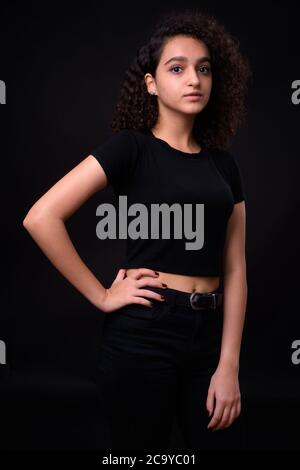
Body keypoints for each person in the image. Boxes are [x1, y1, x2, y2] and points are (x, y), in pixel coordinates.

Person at [23, 8, 251, 451]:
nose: (194, 79)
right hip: (145, 332)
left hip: (208, 337)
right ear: (151, 82)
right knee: (142, 458)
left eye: (204, 69)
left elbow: (237, 268)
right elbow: (41, 217)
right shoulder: (131, 148)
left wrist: (229, 364)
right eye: (177, 68)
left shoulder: (224, 164)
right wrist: (102, 295)